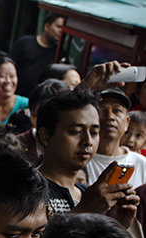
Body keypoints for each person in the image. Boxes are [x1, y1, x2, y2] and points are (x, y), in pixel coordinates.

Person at [37, 88, 140, 218]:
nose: (88, 141)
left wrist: (115, 225)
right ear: (45, 136)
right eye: (76, 132)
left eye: (94, 133)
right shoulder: (27, 190)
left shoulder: (88, 194)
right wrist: (86, 211)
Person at [86, 88, 146, 188]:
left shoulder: (141, 164)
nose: (110, 117)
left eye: (117, 111)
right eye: (102, 111)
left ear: (127, 122)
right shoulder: (82, 160)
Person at [14, 79, 70, 165]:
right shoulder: (17, 145)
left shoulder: (73, 146)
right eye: (35, 115)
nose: (41, 122)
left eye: (49, 118)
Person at [9, 13, 64, 97]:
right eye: (58, 27)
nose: (61, 31)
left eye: (63, 28)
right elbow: (10, 65)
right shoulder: (24, 42)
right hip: (14, 94)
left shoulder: (60, 53)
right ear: (47, 26)